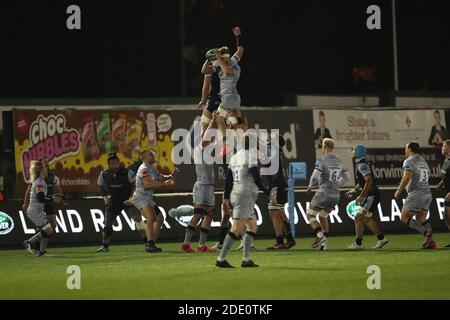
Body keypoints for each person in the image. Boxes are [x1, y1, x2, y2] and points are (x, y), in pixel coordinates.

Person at [215, 133, 269, 268]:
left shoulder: (234, 157)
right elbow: (256, 178)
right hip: (245, 195)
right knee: (236, 229)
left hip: (238, 194)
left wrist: (226, 197)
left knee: (252, 226)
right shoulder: (251, 156)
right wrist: (268, 192)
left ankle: (246, 259)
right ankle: (221, 259)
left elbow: (228, 180)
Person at [96, 153, 147, 252]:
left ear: (119, 163)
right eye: (112, 164)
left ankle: (148, 243)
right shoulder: (104, 174)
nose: (115, 165)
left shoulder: (127, 172)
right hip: (114, 201)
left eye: (116, 163)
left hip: (128, 199)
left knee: (137, 218)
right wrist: (105, 198)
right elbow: (100, 186)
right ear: (109, 164)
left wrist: (131, 199)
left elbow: (135, 185)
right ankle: (105, 246)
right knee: (107, 224)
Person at [306, 138, 350, 251]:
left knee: (310, 215)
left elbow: (315, 176)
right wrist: (336, 185)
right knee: (323, 216)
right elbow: (347, 178)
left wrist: (310, 186)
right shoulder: (339, 161)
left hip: (324, 191)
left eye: (322, 146)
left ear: (325, 146)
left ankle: (320, 236)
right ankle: (325, 244)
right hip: (335, 194)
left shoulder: (321, 160)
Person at [208, 27, 244, 157]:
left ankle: (227, 144)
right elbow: (240, 50)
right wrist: (238, 37)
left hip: (229, 98)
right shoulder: (232, 60)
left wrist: (217, 58)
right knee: (235, 122)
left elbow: (228, 71)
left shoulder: (229, 66)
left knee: (218, 118)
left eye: (222, 57)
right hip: (233, 98)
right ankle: (238, 143)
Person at [345, 145, 389, 250]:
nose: (352, 152)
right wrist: (354, 190)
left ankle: (359, 244)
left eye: (353, 150)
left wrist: (361, 195)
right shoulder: (360, 164)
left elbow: (369, 181)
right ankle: (381, 238)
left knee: (358, 216)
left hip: (371, 195)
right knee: (364, 217)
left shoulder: (362, 165)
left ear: (358, 152)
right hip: (371, 195)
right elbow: (362, 182)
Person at [395, 142, 437, 249]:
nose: (405, 150)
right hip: (427, 193)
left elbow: (407, 176)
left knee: (404, 217)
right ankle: (431, 242)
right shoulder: (423, 161)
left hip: (416, 194)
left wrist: (399, 190)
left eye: (406, 148)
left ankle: (425, 232)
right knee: (421, 218)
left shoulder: (409, 161)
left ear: (409, 148)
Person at [132, 149, 175, 253]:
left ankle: (151, 242)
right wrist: (166, 184)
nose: (153, 156)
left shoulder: (151, 168)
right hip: (140, 197)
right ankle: (149, 244)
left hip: (147, 198)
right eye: (151, 155)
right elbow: (147, 185)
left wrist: (169, 176)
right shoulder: (144, 169)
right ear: (145, 157)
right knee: (151, 217)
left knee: (160, 218)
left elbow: (160, 177)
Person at [22, 161, 63, 257]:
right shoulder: (40, 181)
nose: (46, 169)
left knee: (48, 230)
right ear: (40, 170)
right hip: (35, 212)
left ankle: (41, 251)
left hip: (36, 211)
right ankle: (29, 243)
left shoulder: (40, 181)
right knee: (48, 230)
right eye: (44, 168)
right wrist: (52, 198)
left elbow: (41, 196)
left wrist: (52, 196)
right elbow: (40, 198)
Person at [264, 133, 296, 250]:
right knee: (280, 212)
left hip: (276, 184)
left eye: (269, 138)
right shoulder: (276, 150)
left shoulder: (271, 149)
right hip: (280, 183)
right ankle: (290, 238)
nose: (267, 139)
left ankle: (280, 241)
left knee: (274, 212)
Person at [437, 140, 450, 247]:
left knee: (447, 214)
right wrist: (441, 183)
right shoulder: (446, 160)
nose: (442, 147)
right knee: (447, 216)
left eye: (444, 146)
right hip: (447, 191)